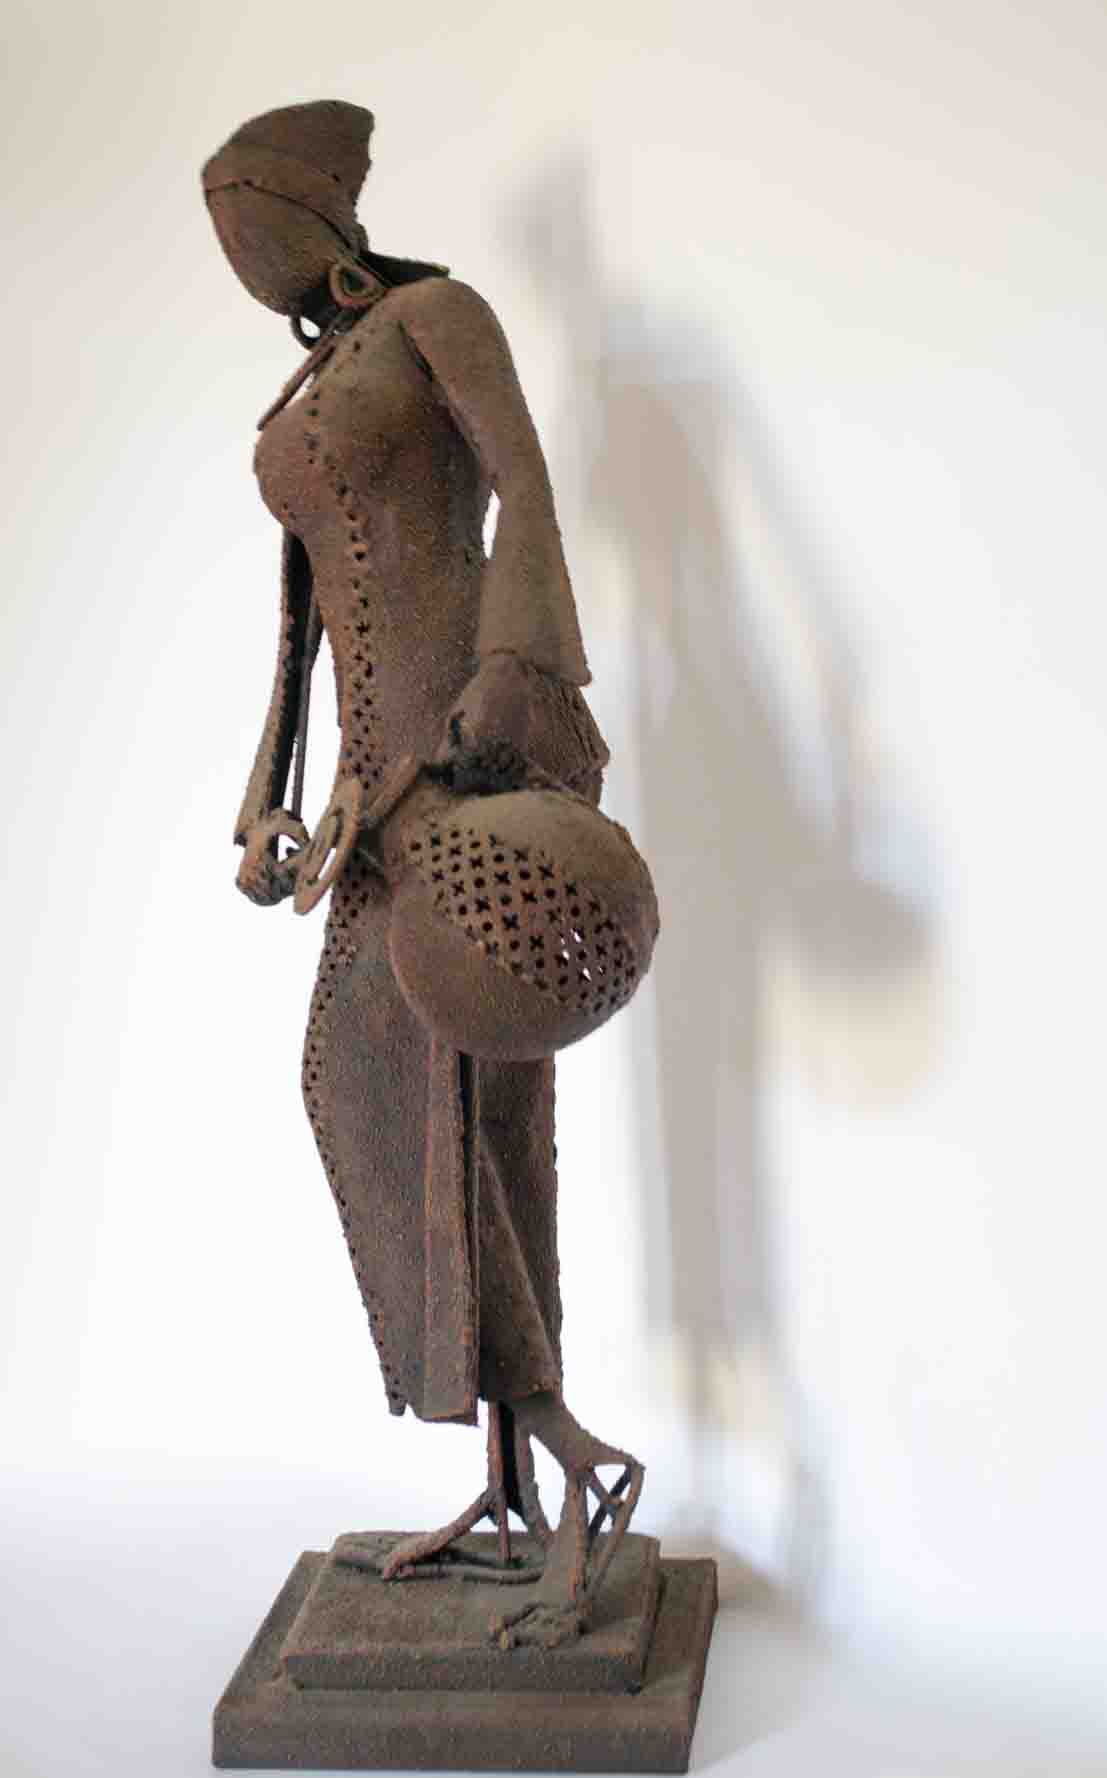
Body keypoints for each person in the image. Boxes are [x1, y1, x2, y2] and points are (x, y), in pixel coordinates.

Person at [203, 99, 643, 1647]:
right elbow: (304, 606)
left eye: (253, 216)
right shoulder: (311, 381)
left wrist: (512, 681)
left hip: (468, 769)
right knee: (367, 1091)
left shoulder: (439, 316)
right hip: (371, 802)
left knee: (481, 1120)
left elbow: (525, 480)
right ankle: (516, 1474)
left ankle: (569, 1465)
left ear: (323, 218)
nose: (239, 248)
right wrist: (268, 793)